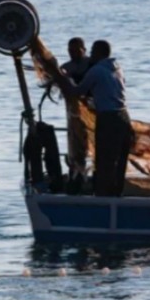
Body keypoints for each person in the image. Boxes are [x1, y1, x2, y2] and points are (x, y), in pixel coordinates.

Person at [42, 40, 135, 197]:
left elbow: (76, 92)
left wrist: (62, 79)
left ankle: (103, 197)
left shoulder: (96, 70)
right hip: (125, 118)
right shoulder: (118, 68)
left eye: (92, 51)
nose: (91, 54)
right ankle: (116, 194)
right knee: (119, 160)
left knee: (104, 160)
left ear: (98, 53)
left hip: (109, 118)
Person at [59, 37, 91, 188]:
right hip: (73, 112)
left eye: (77, 50)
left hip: (91, 110)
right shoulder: (66, 67)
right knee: (74, 143)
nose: (73, 53)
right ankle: (76, 172)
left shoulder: (91, 64)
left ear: (84, 50)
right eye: (70, 51)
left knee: (87, 141)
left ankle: (86, 172)